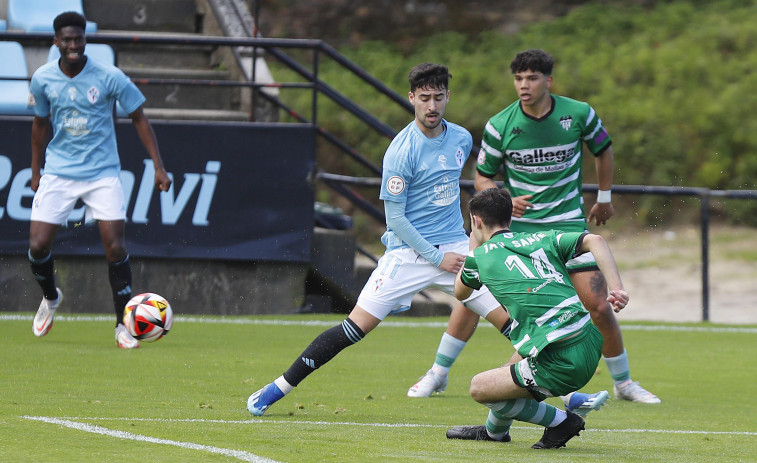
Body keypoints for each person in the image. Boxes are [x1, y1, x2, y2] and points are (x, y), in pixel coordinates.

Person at [246, 62, 511, 416]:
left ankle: (565, 396)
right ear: (412, 98)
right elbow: (396, 220)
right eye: (424, 99)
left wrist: (462, 245)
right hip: (408, 255)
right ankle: (277, 388)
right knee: (353, 329)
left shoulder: (461, 138)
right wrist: (436, 257)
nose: (432, 107)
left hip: (456, 250)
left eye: (438, 98)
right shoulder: (401, 151)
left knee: (511, 320)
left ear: (448, 96)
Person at [410, 49, 659, 404]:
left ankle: (624, 383)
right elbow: (481, 177)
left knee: (599, 306)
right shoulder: (501, 124)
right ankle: (437, 373)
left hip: (567, 224)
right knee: (471, 297)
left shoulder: (578, 113)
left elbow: (603, 149)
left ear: (548, 81)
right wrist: (502, 197)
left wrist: (604, 196)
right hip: (518, 232)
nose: (523, 86)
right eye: (518, 79)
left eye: (531, 78)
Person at [28, 11, 171, 349]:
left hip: (102, 173)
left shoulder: (109, 77)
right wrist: (35, 171)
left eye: (78, 38)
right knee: (37, 246)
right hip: (59, 171)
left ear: (85, 39)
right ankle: (50, 297)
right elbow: (38, 126)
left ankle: (122, 325)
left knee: (115, 246)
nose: (73, 44)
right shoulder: (43, 78)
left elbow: (139, 118)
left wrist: (158, 167)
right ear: (56, 42)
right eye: (67, 39)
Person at [446, 187, 628, 449]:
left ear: (476, 221)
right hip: (588, 340)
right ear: (509, 218)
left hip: (561, 359)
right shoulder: (541, 238)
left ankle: (562, 422)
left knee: (479, 387)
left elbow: (460, 292)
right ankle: (495, 432)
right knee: (507, 371)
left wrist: (474, 246)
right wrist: (617, 288)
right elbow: (596, 241)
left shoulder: (479, 257)